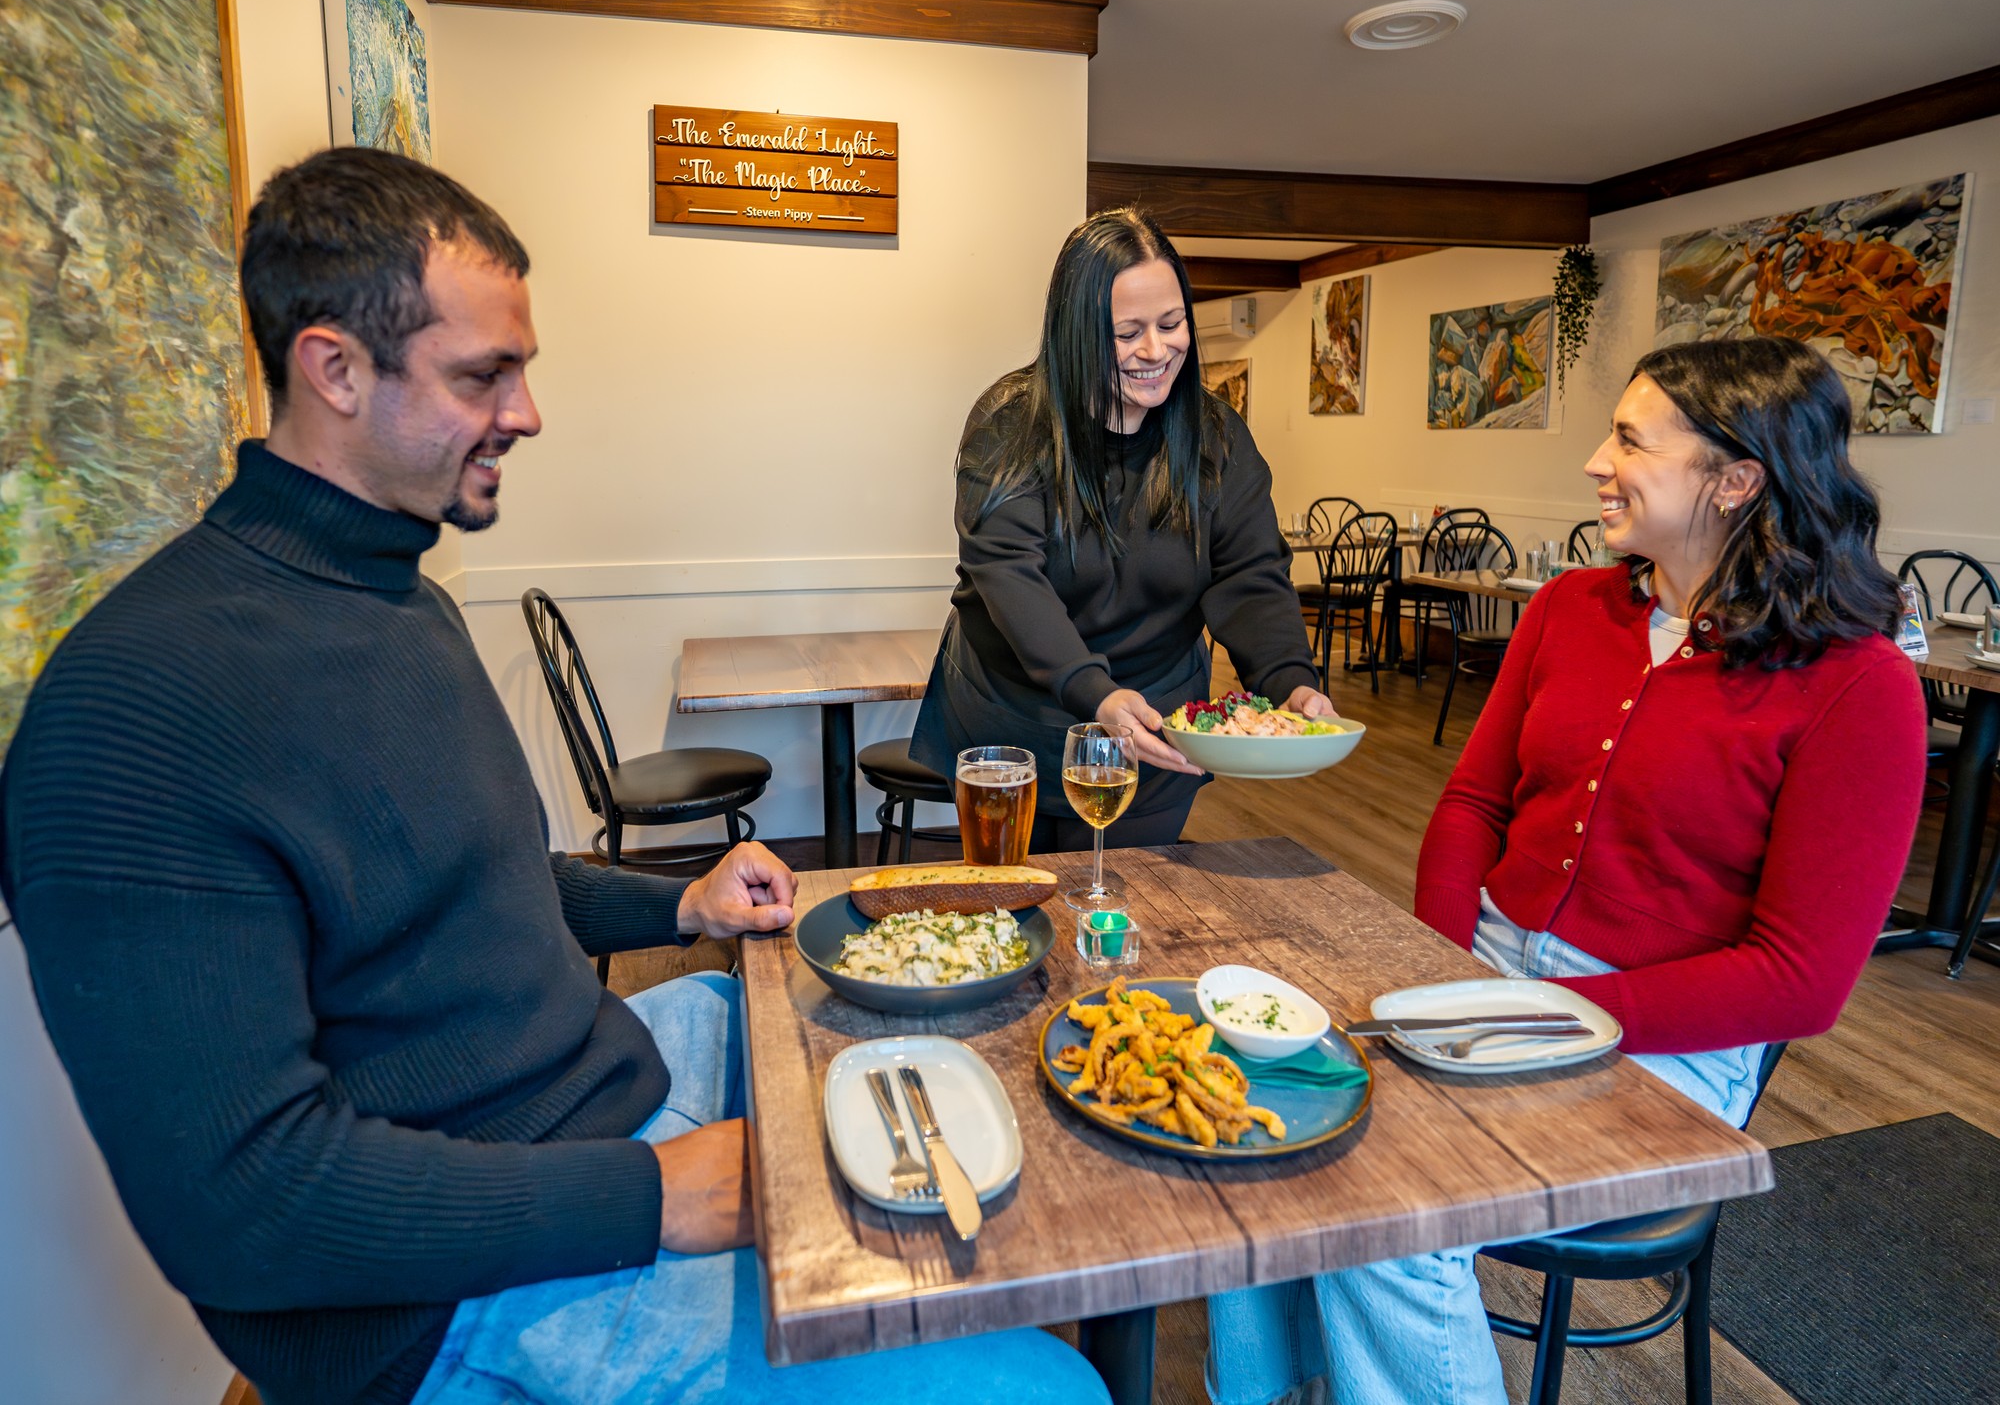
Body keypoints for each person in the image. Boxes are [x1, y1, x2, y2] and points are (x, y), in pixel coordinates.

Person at [0, 148, 1109, 1405]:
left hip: (612, 1089)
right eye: (485, 375)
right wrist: (660, 1195)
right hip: (461, 1294)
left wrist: (674, 905)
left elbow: (475, 883)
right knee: (1042, 1387)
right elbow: (244, 1209)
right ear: (335, 370)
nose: (525, 413)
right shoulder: (133, 713)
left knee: (963, 1077)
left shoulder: (396, 599)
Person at [1205, 336, 1929, 1405]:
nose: (1594, 460)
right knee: (1253, 1102)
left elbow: (1797, 982)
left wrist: (1541, 1008)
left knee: (1392, 1212)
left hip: (1668, 1041)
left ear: (1733, 482)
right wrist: (1438, 970)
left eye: (1629, 440)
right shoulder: (1566, 611)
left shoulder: (1856, 685)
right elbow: (1472, 805)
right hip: (1485, 971)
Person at [911, 208, 1332, 849]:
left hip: (1153, 717)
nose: (1156, 351)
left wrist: (1289, 681)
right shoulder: (1010, 426)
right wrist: (1094, 692)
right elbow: (1010, 576)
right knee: (1016, 912)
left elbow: (1249, 574)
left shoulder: (1217, 439)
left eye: (1170, 324)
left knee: (1133, 903)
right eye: (1126, 333)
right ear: (1075, 334)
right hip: (1016, 715)